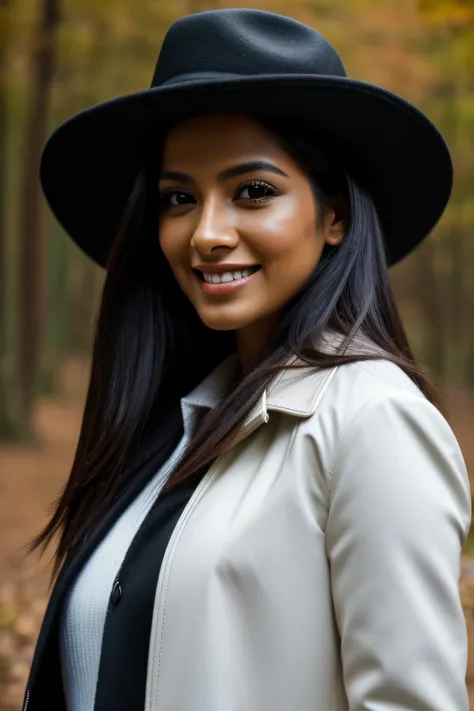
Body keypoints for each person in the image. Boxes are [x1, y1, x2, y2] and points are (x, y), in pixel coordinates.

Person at [23, 8, 471, 711]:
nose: (205, 233)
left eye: (253, 191)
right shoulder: (175, 427)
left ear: (335, 216)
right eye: (179, 198)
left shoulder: (372, 419)